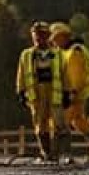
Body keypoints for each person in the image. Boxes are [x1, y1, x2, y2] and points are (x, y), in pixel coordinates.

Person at [50, 22, 89, 161]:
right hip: (77, 94)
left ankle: (59, 154)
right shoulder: (66, 52)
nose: (53, 42)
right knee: (78, 121)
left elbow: (76, 75)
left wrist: (72, 93)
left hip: (75, 94)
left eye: (54, 38)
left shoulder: (74, 51)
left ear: (63, 37)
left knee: (61, 122)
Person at [15, 21, 64, 161]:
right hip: (36, 95)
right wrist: (21, 92)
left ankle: (57, 153)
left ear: (48, 36)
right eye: (35, 35)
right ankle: (46, 153)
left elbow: (63, 74)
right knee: (40, 124)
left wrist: (67, 92)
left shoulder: (57, 54)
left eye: (41, 35)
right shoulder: (26, 55)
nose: (38, 38)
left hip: (54, 93)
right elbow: (21, 74)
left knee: (58, 124)